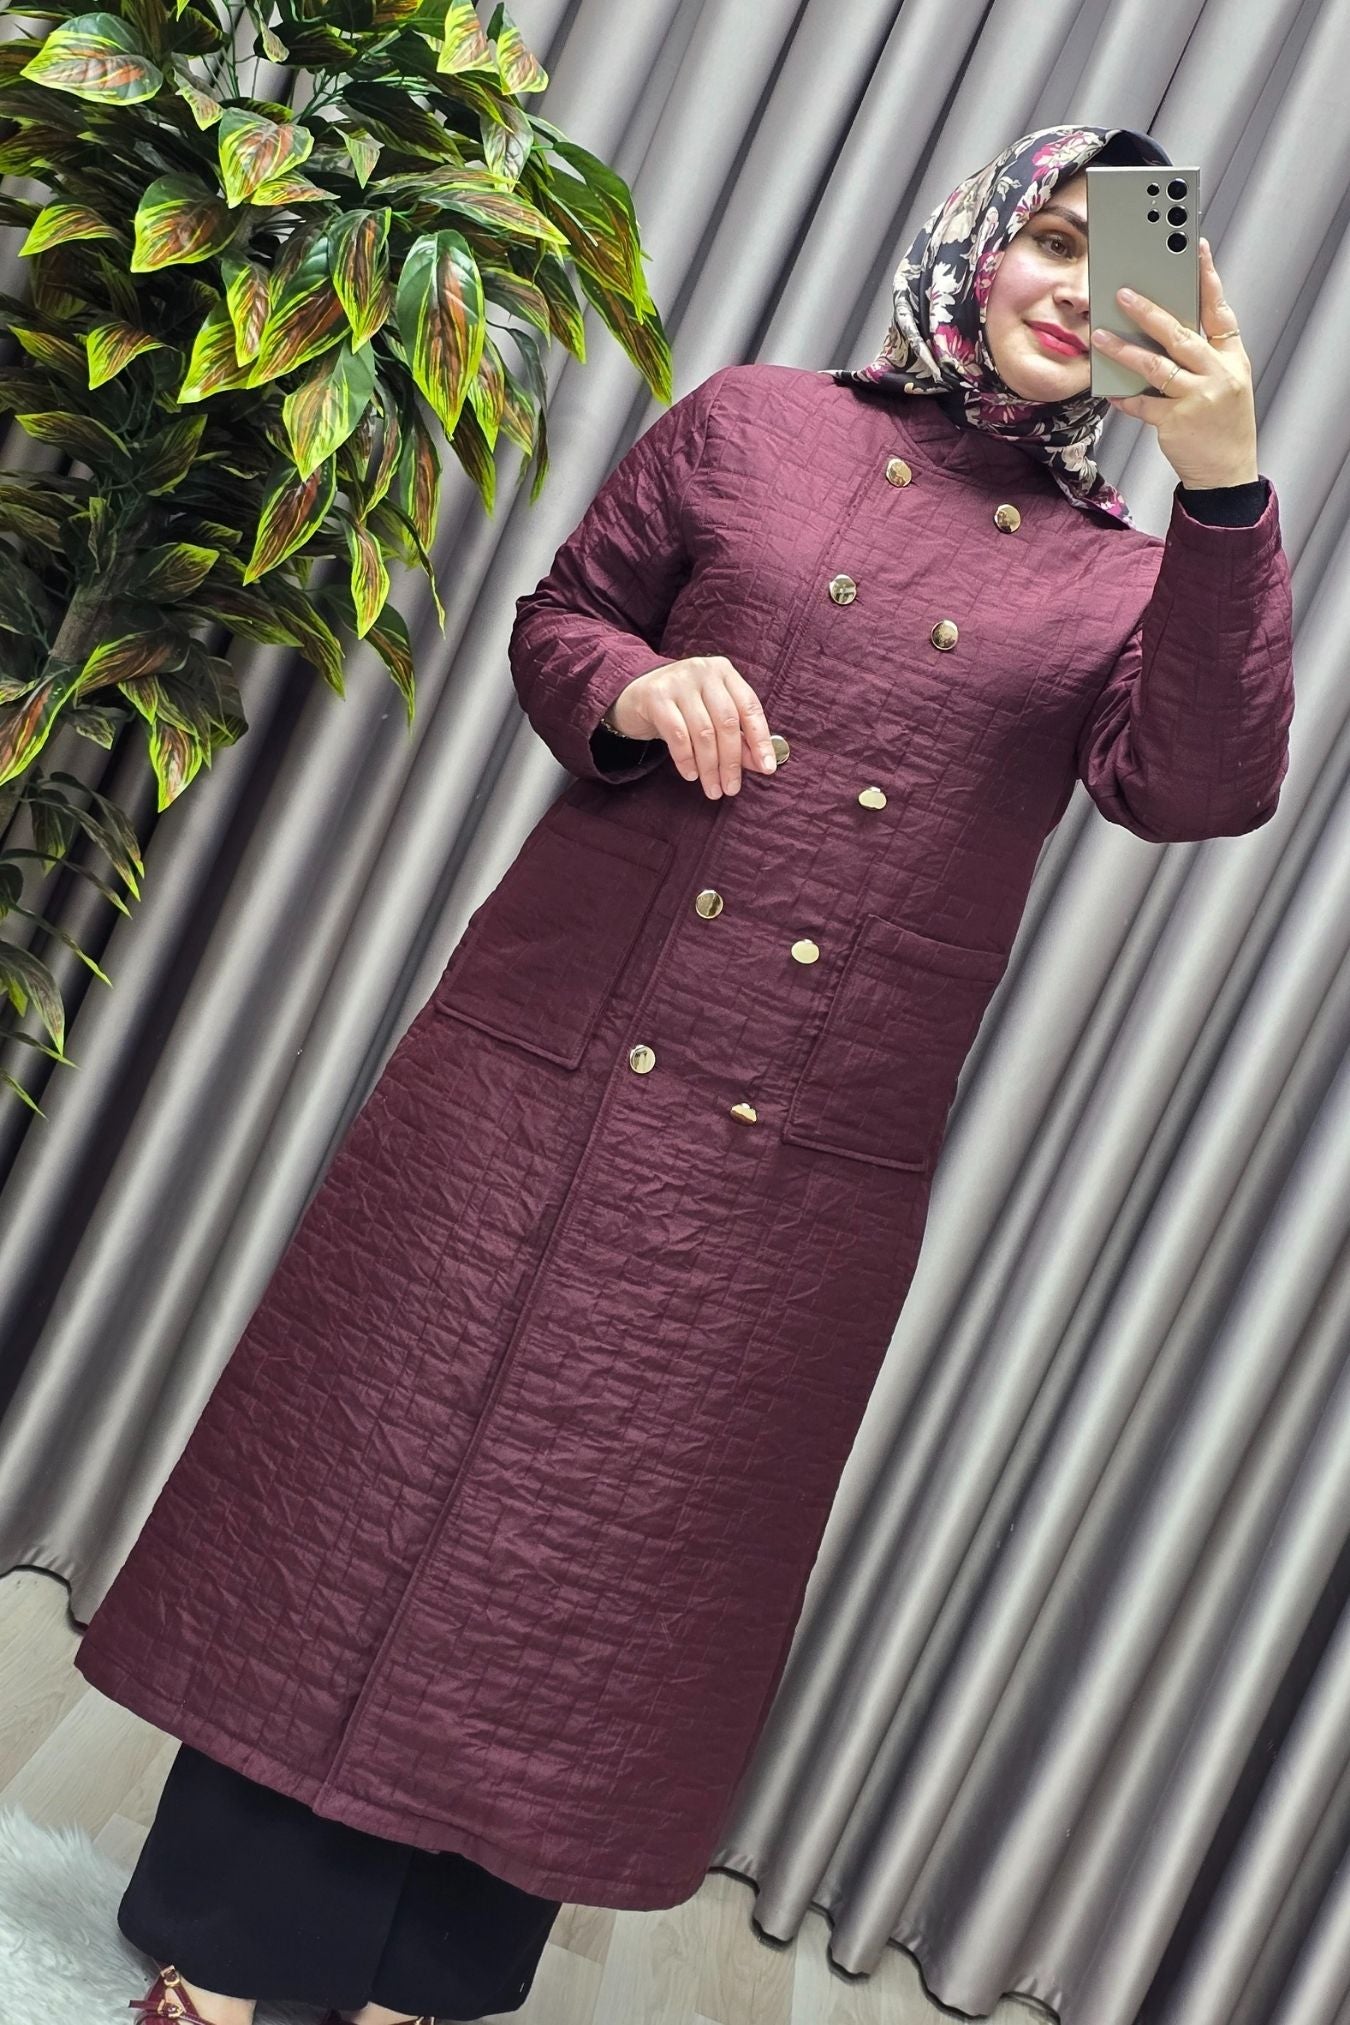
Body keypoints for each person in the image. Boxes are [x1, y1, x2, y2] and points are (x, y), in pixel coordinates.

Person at [73, 124, 1294, 2025]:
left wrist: (1223, 490)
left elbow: (1199, 785)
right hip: (537, 1070)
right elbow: (560, 616)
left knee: (599, 1574)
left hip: (791, 1164)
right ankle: (228, 1963)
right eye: (1049, 236)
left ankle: (420, 1990)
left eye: (1117, 258)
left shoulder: (1123, 577)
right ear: (974, 242)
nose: (1074, 285)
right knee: (366, 1480)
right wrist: (634, 689)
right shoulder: (756, 424)